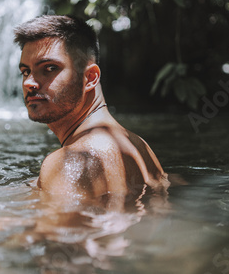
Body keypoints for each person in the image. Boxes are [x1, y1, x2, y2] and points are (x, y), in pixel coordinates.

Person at [15, 15, 169, 208]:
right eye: (26, 71)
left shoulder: (72, 161)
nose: (29, 83)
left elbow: (55, 236)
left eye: (49, 68)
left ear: (90, 77)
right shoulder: (140, 148)